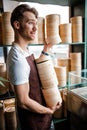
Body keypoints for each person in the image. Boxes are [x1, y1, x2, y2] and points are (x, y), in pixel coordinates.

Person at [6, 4, 62, 130]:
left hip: (42, 117)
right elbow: (24, 101)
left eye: (36, 23)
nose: (36, 28)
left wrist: (46, 50)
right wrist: (48, 111)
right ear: (17, 25)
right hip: (34, 122)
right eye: (31, 23)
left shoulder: (24, 50)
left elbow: (32, 73)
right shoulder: (17, 59)